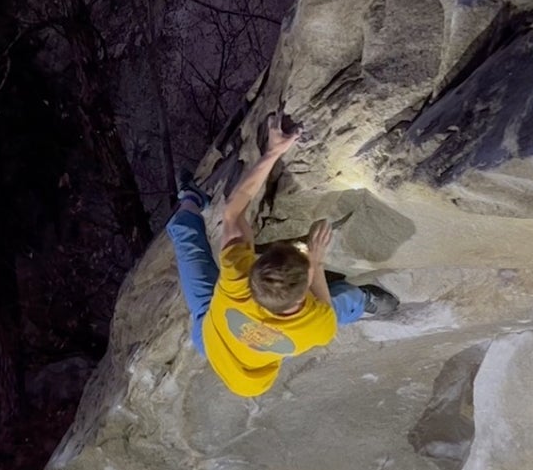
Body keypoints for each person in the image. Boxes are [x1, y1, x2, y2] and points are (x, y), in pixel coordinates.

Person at [166, 116, 398, 397]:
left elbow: (232, 211)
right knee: (344, 300)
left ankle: (190, 198)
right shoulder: (318, 326)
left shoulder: (236, 277)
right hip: (245, 375)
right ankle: (367, 302)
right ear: (303, 295)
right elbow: (323, 301)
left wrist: (273, 152)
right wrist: (316, 260)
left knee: (182, 230)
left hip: (211, 333)